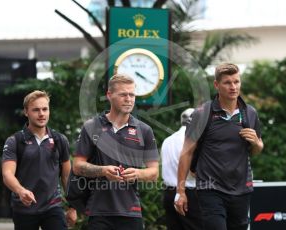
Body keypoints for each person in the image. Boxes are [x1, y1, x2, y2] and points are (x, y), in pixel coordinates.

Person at [175, 63, 264, 230]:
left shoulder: (250, 113)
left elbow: (256, 150)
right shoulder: (201, 114)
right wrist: (180, 192)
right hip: (210, 188)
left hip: (241, 190)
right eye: (227, 83)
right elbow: (186, 153)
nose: (233, 87)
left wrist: (256, 143)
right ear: (216, 85)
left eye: (236, 82)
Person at [73, 74, 159, 230]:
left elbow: (154, 172)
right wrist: (103, 170)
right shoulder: (91, 127)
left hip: (131, 212)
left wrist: (138, 174)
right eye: (123, 94)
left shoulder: (144, 130)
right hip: (99, 211)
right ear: (109, 95)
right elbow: (77, 166)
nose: (129, 99)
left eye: (132, 94)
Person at [2, 90, 77, 230]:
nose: (41, 114)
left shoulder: (60, 140)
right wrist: (20, 190)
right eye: (36, 110)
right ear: (26, 112)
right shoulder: (15, 141)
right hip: (24, 208)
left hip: (53, 207)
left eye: (45, 109)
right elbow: (7, 174)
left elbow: (67, 176)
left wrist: (73, 207)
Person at [161, 108, 203, 230]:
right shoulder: (193, 140)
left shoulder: (167, 140)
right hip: (188, 193)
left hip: (169, 193)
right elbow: (193, 170)